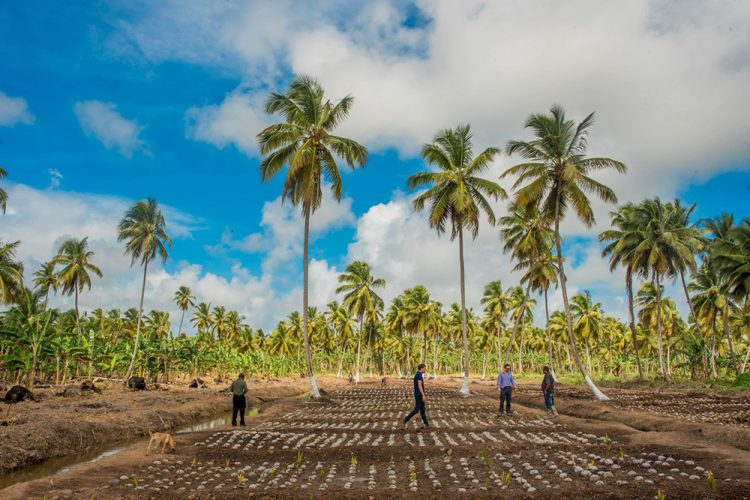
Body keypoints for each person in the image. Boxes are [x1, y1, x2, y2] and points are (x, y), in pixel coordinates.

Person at [403, 363, 428, 430]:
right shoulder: (419, 375)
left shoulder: (418, 374)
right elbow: (419, 386)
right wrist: (423, 395)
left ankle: (426, 424)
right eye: (425, 368)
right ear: (422, 368)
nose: (425, 369)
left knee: (422, 410)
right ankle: (406, 419)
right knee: (416, 409)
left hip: (418, 394)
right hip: (418, 395)